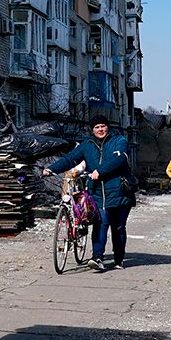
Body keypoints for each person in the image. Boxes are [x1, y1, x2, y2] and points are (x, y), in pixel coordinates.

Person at [43, 115, 133, 272]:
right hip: (97, 193)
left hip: (119, 192)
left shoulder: (119, 141)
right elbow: (70, 159)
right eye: (96, 127)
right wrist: (52, 169)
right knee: (100, 224)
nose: (100, 129)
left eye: (102, 126)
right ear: (92, 130)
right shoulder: (87, 145)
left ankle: (119, 258)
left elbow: (118, 159)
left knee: (118, 228)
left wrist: (100, 170)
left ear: (107, 127)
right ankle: (97, 257)